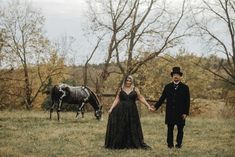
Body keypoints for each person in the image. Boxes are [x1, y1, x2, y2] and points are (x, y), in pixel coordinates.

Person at [105, 75, 155, 149]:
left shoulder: (135, 89)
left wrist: (148, 105)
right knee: (122, 126)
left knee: (132, 126)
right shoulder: (121, 89)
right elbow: (117, 99)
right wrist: (111, 108)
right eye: (127, 80)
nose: (128, 82)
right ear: (124, 81)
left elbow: (141, 97)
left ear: (132, 81)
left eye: (130, 81)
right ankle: (121, 143)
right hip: (121, 110)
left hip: (132, 111)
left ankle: (133, 143)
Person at [154, 67, 190, 149]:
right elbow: (162, 98)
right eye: (174, 75)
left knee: (180, 129)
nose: (176, 76)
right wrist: (155, 107)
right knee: (170, 129)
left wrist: (185, 113)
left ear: (180, 76)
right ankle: (170, 145)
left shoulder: (185, 87)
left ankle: (178, 145)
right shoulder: (168, 87)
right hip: (170, 112)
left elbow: (187, 101)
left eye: (177, 75)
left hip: (181, 113)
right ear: (172, 76)